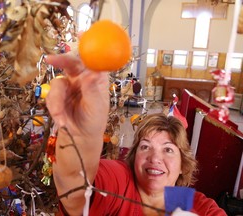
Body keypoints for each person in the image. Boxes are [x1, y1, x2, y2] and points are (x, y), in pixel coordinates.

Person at [45, 53, 226, 216]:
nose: (155, 158)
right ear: (133, 156)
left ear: (182, 165)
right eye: (145, 146)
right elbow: (76, 186)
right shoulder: (120, 181)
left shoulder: (199, 207)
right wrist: (79, 136)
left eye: (168, 150)